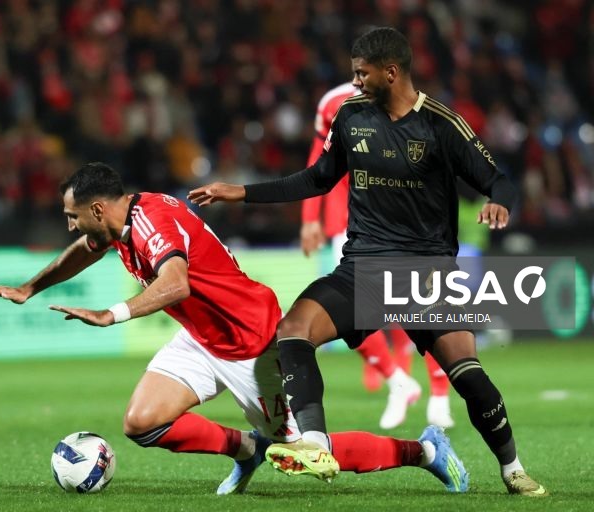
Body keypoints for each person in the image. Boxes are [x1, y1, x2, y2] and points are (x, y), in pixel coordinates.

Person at [188, 27, 546, 497]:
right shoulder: (350, 117)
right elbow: (317, 178)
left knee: (469, 377)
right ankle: (314, 441)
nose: (355, 83)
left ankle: (512, 468)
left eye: (362, 74)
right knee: (293, 331)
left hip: (425, 276)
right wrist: (242, 193)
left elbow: (499, 180)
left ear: (391, 72)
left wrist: (500, 203)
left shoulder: (442, 124)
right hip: (362, 268)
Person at [0, 162, 468, 495]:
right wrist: (29, 288)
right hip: (202, 337)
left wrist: (112, 314)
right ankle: (248, 449)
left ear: (98, 210)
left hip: (253, 344)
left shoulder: (153, 223)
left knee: (316, 456)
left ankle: (425, 451)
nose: (70, 226)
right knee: (142, 422)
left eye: (73, 217)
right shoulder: (120, 224)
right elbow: (82, 253)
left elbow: (175, 286)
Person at [302, 82, 453, 429]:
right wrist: (310, 219)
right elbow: (318, 163)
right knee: (350, 310)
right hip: (351, 222)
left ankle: (440, 395)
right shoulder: (332, 102)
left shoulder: (415, 103)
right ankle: (398, 382)